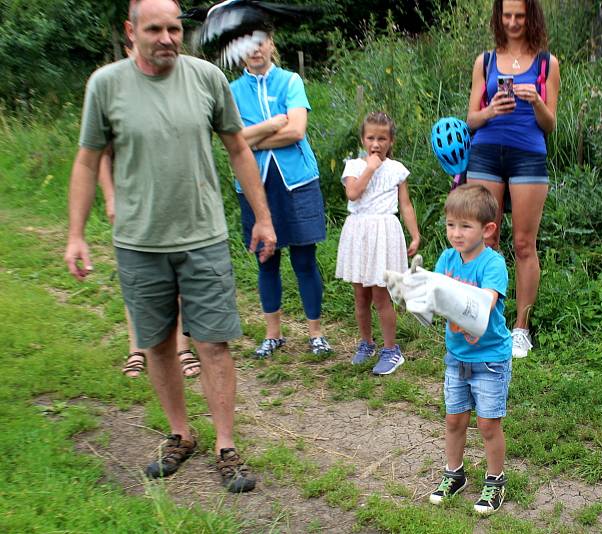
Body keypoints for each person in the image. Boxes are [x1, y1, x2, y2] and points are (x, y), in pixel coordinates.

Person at [64, 0, 277, 492]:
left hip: (203, 236)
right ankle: (181, 434)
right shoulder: (106, 85)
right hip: (139, 242)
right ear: (131, 31)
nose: (166, 38)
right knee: (159, 344)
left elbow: (238, 147)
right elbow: (86, 160)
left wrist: (263, 217)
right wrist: (75, 234)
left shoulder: (206, 78)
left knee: (212, 344)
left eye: (174, 28)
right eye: (155, 28)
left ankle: (226, 445)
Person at [389, 184, 512, 514]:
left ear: (487, 229)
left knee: (488, 425)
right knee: (454, 420)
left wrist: (438, 294)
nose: (456, 233)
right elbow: (431, 304)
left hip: (489, 359)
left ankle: (495, 480)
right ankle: (454, 475)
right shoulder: (446, 259)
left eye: (465, 226)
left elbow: (483, 307)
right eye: (450, 225)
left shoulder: (493, 264)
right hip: (456, 357)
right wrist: (410, 292)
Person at [229, 30, 332, 359]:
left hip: (297, 182)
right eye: (247, 45)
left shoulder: (290, 81)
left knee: (304, 260)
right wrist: (273, 124)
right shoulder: (231, 91)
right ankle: (273, 335)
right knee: (266, 261)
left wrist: (252, 138)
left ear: (272, 43)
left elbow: (297, 130)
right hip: (254, 185)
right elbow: (232, 139)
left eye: (260, 42)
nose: (255, 50)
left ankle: (315, 334)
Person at [466, 0, 560, 358]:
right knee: (484, 240)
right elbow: (471, 119)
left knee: (523, 244)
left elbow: (550, 124)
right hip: (486, 151)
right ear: (498, 17)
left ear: (531, 16)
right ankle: (484, 319)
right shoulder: (485, 61)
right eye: (507, 15)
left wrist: (536, 101)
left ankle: (521, 328)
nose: (513, 22)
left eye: (520, 15)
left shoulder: (547, 62)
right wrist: (491, 110)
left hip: (528, 154)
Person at [99, 143, 200, 379]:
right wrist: (110, 196)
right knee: (135, 278)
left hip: (175, 194)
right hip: (132, 199)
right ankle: (136, 349)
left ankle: (182, 348)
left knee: (180, 273)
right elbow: (99, 152)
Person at [336, 112, 421, 374]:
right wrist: (370, 168)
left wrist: (415, 234)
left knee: (381, 296)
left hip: (384, 232)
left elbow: (405, 204)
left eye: (382, 138)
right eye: (371, 138)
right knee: (361, 296)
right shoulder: (353, 166)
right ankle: (366, 343)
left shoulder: (397, 170)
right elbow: (353, 192)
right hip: (359, 233)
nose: (376, 144)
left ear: (390, 141)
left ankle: (391, 350)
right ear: (362, 139)